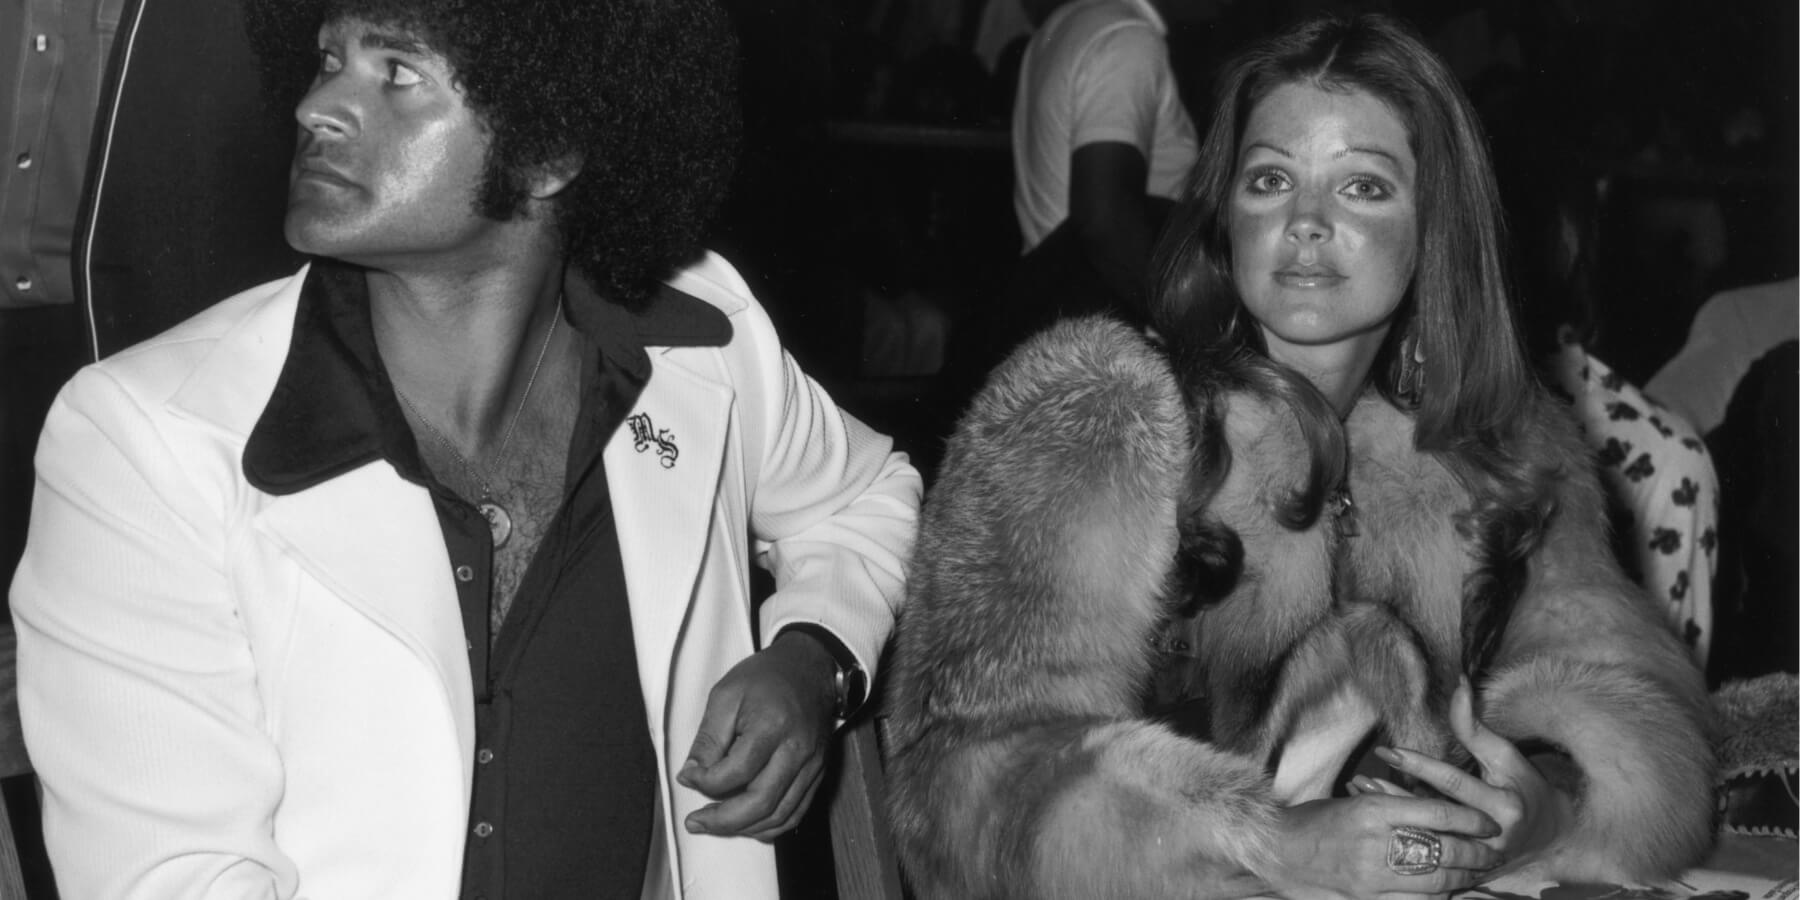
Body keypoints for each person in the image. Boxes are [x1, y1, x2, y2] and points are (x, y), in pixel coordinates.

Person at [9, 1, 921, 898]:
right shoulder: (145, 442)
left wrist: (814, 658)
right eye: (329, 59)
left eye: (397, 73)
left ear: (546, 151)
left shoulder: (699, 342)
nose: (314, 106)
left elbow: (865, 495)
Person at [885, 14, 1713, 900]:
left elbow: (1634, 716)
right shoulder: (1095, 426)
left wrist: (1553, 805)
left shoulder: (1499, 450)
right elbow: (950, 794)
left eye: (1362, 187)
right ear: (1226, 212)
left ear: (1436, 227)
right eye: (1271, 179)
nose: (1307, 223)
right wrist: (1263, 845)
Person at [1010, 0, 1199, 316]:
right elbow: (1103, 220)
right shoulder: (1125, 38)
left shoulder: (1071, 21)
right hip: (1097, 320)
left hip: (1055, 308)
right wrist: (1186, 325)